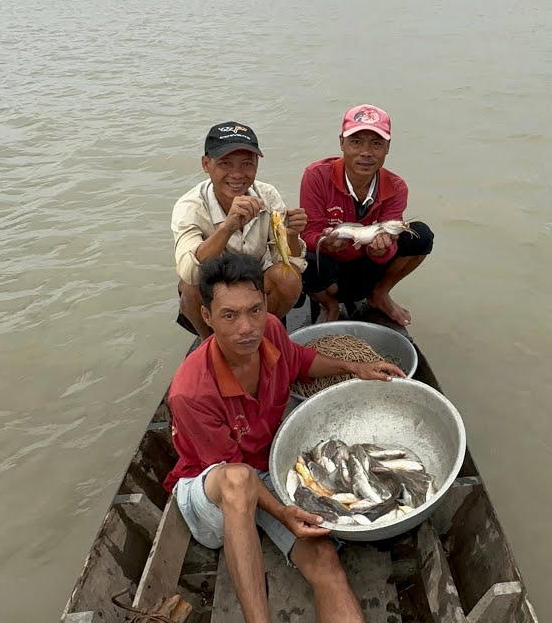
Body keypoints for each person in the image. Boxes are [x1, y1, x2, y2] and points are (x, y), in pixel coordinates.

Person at [165, 251, 404, 623]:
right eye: (229, 315)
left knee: (326, 561)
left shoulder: (271, 333)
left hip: (272, 471)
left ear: (264, 306)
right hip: (211, 492)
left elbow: (302, 362)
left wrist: (355, 366)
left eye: (255, 310)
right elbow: (230, 468)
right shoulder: (190, 392)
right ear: (208, 317)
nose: (247, 327)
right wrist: (282, 512)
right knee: (238, 480)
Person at [298, 104, 434, 326]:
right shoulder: (316, 175)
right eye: (356, 141)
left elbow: (389, 247)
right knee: (304, 259)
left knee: (421, 234)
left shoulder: (397, 187)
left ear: (388, 147)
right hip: (331, 265)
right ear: (341, 142)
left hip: (367, 263)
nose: (366, 152)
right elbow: (309, 234)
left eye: (376, 143)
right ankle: (329, 303)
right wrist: (328, 244)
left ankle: (380, 294)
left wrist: (379, 250)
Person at [172, 121, 308, 338]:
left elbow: (289, 259)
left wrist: (291, 235)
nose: (237, 175)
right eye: (225, 164)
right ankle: (212, 343)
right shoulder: (190, 206)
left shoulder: (267, 195)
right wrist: (228, 227)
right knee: (189, 287)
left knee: (289, 277)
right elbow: (189, 271)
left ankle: (261, 334)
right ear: (206, 164)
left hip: (256, 282)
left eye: (247, 164)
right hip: (214, 289)